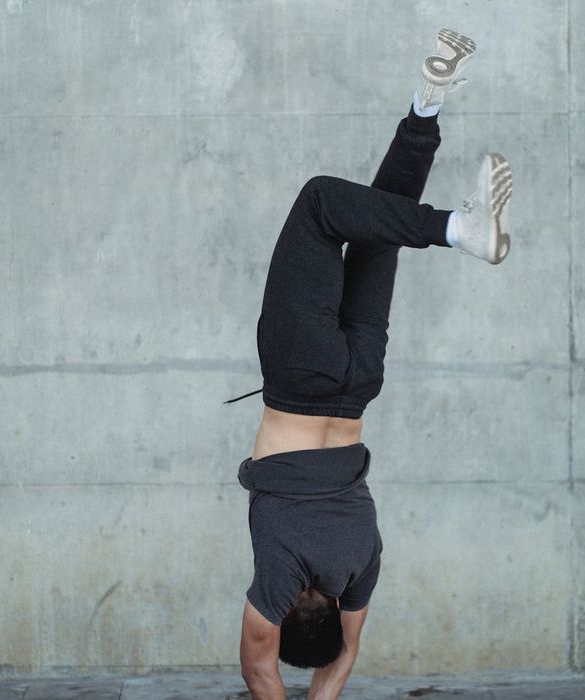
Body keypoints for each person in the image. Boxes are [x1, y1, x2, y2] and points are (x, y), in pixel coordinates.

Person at [226, 29, 513, 700]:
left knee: (377, 238)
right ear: (289, 609)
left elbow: (346, 655)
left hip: (358, 388)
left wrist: (325, 690)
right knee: (323, 204)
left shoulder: (361, 565)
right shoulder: (279, 573)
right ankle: (454, 229)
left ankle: (426, 108)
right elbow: (256, 667)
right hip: (301, 380)